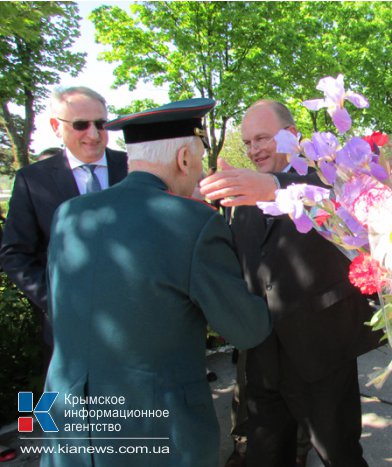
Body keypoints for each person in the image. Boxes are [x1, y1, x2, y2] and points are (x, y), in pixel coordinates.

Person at [41, 98, 272, 467]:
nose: (198, 173)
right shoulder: (193, 223)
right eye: (197, 163)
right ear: (183, 158)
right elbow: (247, 329)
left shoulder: (69, 213)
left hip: (67, 417)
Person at [199, 100, 383, 467]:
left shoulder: (331, 181)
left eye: (263, 138)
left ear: (293, 135)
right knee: (265, 456)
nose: (255, 150)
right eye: (249, 142)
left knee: (340, 455)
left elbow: (336, 211)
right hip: (262, 359)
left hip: (321, 355)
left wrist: (272, 186)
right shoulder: (243, 199)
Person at [0, 86, 127, 356]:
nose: (93, 134)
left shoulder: (134, 167)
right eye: (81, 125)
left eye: (101, 124)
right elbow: (15, 253)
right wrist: (55, 301)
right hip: (70, 332)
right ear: (56, 126)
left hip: (137, 325)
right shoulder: (33, 181)